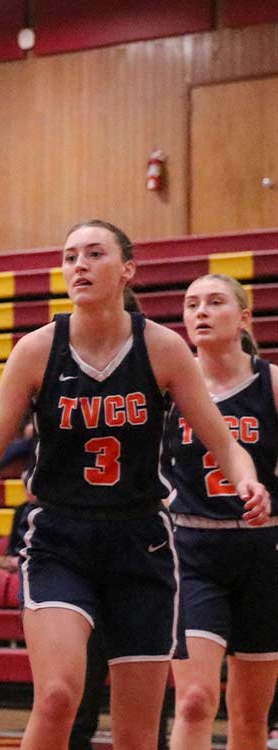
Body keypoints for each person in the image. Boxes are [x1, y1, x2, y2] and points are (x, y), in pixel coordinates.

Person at [0, 220, 271, 750]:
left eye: (94, 254)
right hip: (59, 539)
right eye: (70, 255)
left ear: (126, 269)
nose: (79, 264)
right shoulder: (36, 349)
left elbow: (225, 443)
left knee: (138, 734)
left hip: (141, 542)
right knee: (56, 696)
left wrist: (247, 481)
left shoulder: (163, 348)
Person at [165, 274, 278, 750]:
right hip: (191, 552)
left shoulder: (271, 382)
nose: (201, 312)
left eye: (215, 302)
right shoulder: (168, 385)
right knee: (193, 699)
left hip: (263, 552)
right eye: (191, 304)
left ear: (244, 318)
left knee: (251, 718)